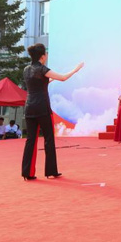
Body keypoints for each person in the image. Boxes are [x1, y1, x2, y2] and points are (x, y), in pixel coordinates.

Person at [21, 43, 83, 180]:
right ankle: (50, 171)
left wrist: (51, 79)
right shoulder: (42, 69)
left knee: (30, 140)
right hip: (42, 107)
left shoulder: (26, 70)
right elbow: (63, 78)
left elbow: (38, 83)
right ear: (42, 56)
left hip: (29, 107)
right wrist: (75, 70)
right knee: (48, 139)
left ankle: (27, 172)